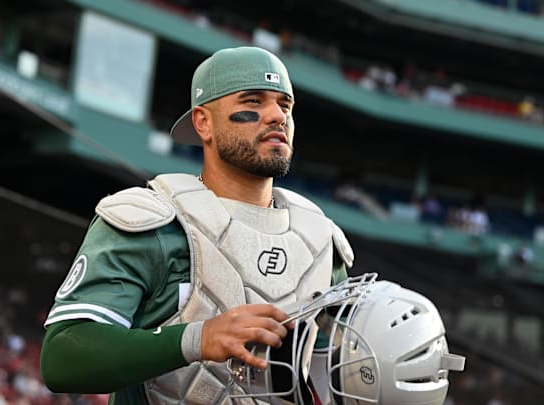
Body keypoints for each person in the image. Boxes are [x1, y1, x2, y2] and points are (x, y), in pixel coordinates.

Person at [39, 46, 355, 404]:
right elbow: (62, 357)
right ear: (203, 122)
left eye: (285, 105)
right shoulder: (152, 220)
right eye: (253, 100)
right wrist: (197, 339)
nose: (276, 116)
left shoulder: (321, 242)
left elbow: (333, 374)